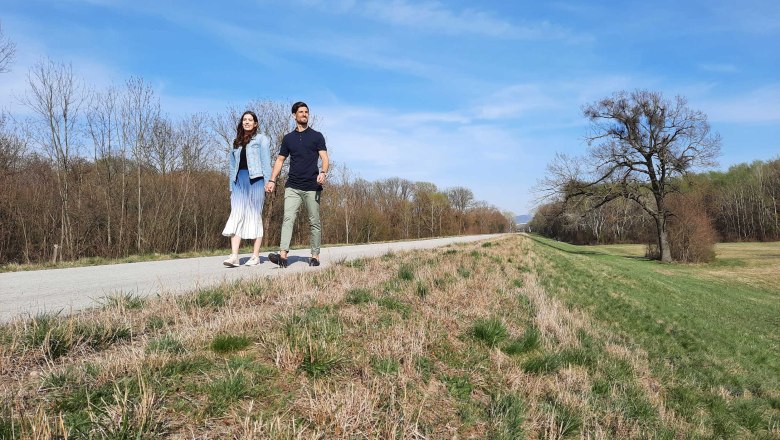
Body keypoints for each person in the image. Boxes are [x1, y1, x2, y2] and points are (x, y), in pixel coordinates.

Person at [267, 101, 329, 268]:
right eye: (301, 112)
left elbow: (324, 158)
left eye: (306, 112)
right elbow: (280, 160)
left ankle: (315, 256)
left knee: (314, 221)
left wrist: (323, 172)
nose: (304, 114)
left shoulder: (317, 136)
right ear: (294, 115)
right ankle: (283, 257)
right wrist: (272, 180)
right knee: (288, 219)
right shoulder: (288, 138)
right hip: (293, 186)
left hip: (312, 186)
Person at [222, 110, 273, 267]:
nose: (247, 122)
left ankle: (255, 256)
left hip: (256, 180)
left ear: (255, 124)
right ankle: (234, 256)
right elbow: (232, 166)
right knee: (236, 214)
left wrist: (269, 181)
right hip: (239, 181)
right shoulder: (236, 142)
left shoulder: (261, 139)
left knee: (254, 215)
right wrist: (231, 186)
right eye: (245, 119)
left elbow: (266, 161)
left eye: (250, 120)